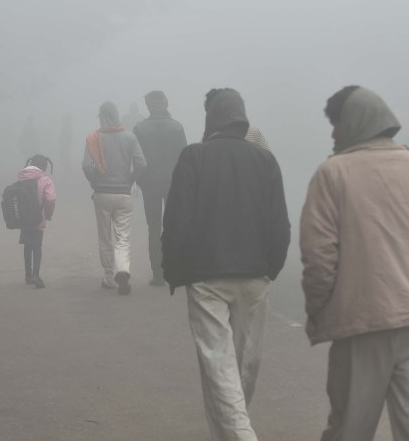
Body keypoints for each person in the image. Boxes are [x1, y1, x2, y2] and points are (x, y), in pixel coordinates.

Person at [300, 85, 409, 441]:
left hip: (360, 326)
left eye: (336, 124)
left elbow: (319, 260)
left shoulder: (333, 174)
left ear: (352, 122)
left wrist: (319, 310)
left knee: (349, 430)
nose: (333, 134)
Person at [162, 88, 290, 441]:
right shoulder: (265, 161)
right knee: (244, 369)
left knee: (219, 369)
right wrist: (271, 268)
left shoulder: (194, 156)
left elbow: (176, 220)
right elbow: (279, 224)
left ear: (211, 119)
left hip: (207, 280)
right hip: (255, 277)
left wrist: (172, 269)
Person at [83, 101, 146, 295]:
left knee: (105, 237)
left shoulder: (94, 138)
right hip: (123, 193)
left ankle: (109, 277)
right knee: (122, 237)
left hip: (102, 193)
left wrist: (95, 181)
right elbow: (142, 164)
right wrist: (129, 180)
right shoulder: (129, 137)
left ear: (101, 116)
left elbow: (86, 165)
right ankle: (123, 270)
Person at [133, 90, 187, 286]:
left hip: (150, 184)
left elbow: (137, 159)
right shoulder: (177, 127)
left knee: (154, 228)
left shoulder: (140, 128)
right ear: (165, 103)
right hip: (172, 183)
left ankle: (158, 274)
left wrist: (139, 180)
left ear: (148, 106)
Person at [16, 155, 57, 289]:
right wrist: (48, 215)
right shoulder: (46, 180)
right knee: (37, 246)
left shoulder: (22, 177)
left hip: (24, 218)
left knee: (27, 246)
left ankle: (28, 275)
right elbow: (50, 200)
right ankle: (36, 275)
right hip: (38, 218)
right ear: (44, 167)